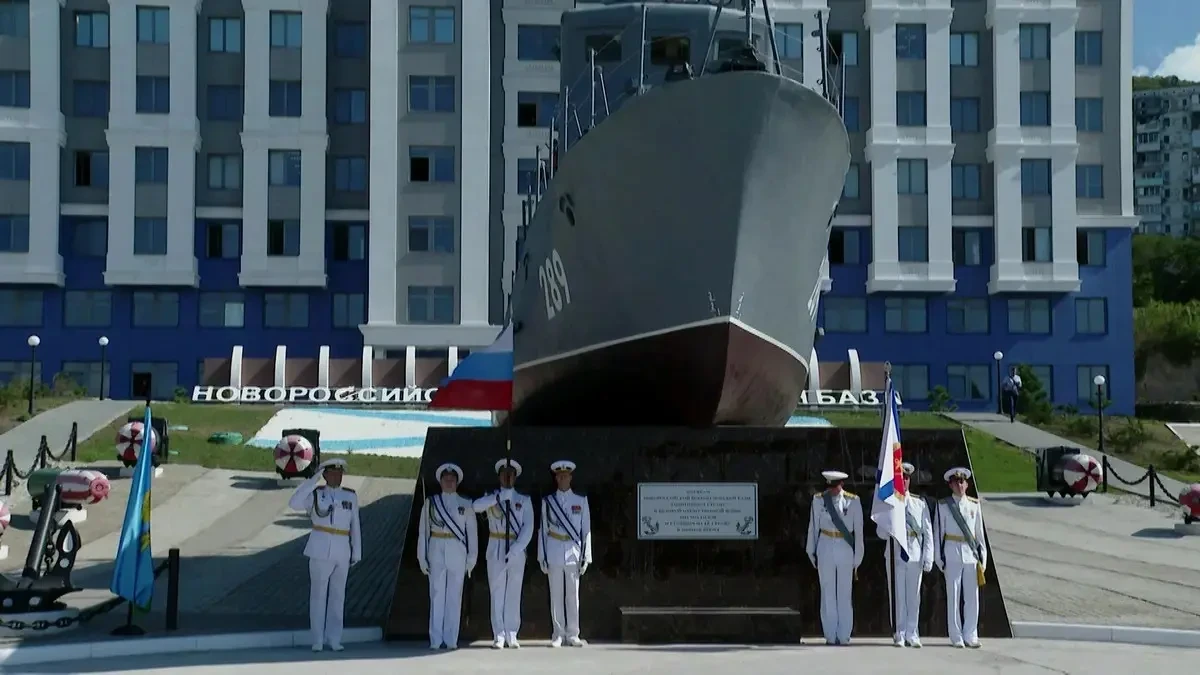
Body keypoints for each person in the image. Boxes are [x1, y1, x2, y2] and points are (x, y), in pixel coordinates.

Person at [288, 457, 362, 652]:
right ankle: (317, 639)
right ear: (325, 475)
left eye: (340, 473)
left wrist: (356, 551)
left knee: (338, 597)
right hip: (319, 549)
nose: (337, 476)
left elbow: (355, 525)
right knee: (318, 596)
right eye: (333, 473)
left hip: (342, 550)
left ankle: (334, 638)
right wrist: (313, 480)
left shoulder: (350, 496)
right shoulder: (315, 494)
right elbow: (293, 502)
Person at [472, 458, 534, 649]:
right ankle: (498, 635)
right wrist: (497, 498)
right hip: (496, 545)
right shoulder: (491, 497)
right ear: (499, 476)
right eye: (504, 475)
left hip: (516, 548)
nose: (507, 478)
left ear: (515, 477)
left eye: (511, 475)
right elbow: (475, 507)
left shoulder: (523, 500)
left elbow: (528, 527)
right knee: (497, 592)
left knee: (514, 592)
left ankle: (512, 633)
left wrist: (516, 549)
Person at [416, 463, 478, 650]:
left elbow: (472, 533)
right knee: (436, 595)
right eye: (446, 479)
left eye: (452, 480)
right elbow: (423, 532)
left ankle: (451, 639)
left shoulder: (466, 504)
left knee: (454, 596)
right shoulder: (431, 503)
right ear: (440, 482)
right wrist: (421, 557)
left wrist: (471, 559)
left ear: (457, 482)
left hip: (457, 551)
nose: (449, 482)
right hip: (436, 549)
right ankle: (435, 639)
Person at [805, 469, 863, 645]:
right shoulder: (818, 500)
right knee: (827, 591)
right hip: (825, 543)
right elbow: (813, 527)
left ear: (842, 484)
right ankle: (830, 634)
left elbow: (859, 531)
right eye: (829, 486)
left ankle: (844, 634)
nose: (832, 489)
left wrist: (858, 557)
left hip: (845, 546)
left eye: (835, 486)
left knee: (844, 593)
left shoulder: (853, 501)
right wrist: (811, 550)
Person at [537, 460, 592, 648]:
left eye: (565, 476)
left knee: (572, 595)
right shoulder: (548, 501)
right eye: (559, 476)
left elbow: (586, 531)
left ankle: (573, 634)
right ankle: (558, 634)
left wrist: (586, 556)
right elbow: (543, 530)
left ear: (570, 477)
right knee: (556, 595)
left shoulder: (580, 500)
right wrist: (542, 556)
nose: (562, 479)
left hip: (573, 552)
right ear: (556, 478)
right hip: (553, 549)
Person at [937, 467, 989, 649]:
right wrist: (939, 559)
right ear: (950, 485)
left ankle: (971, 634)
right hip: (951, 554)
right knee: (953, 596)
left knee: (972, 598)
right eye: (955, 482)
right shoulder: (943, 506)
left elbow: (979, 536)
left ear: (966, 484)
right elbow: (938, 534)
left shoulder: (974, 505)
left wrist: (983, 559)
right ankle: (956, 635)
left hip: (970, 555)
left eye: (962, 482)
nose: (959, 485)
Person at [884, 462, 934, 648]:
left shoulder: (919, 503)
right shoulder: (889, 504)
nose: (903, 481)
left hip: (914, 554)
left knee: (914, 596)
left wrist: (928, 556)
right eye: (900, 478)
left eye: (906, 478)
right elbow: (881, 533)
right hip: (896, 555)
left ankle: (913, 633)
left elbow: (927, 532)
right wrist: (889, 522)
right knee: (898, 597)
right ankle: (899, 632)